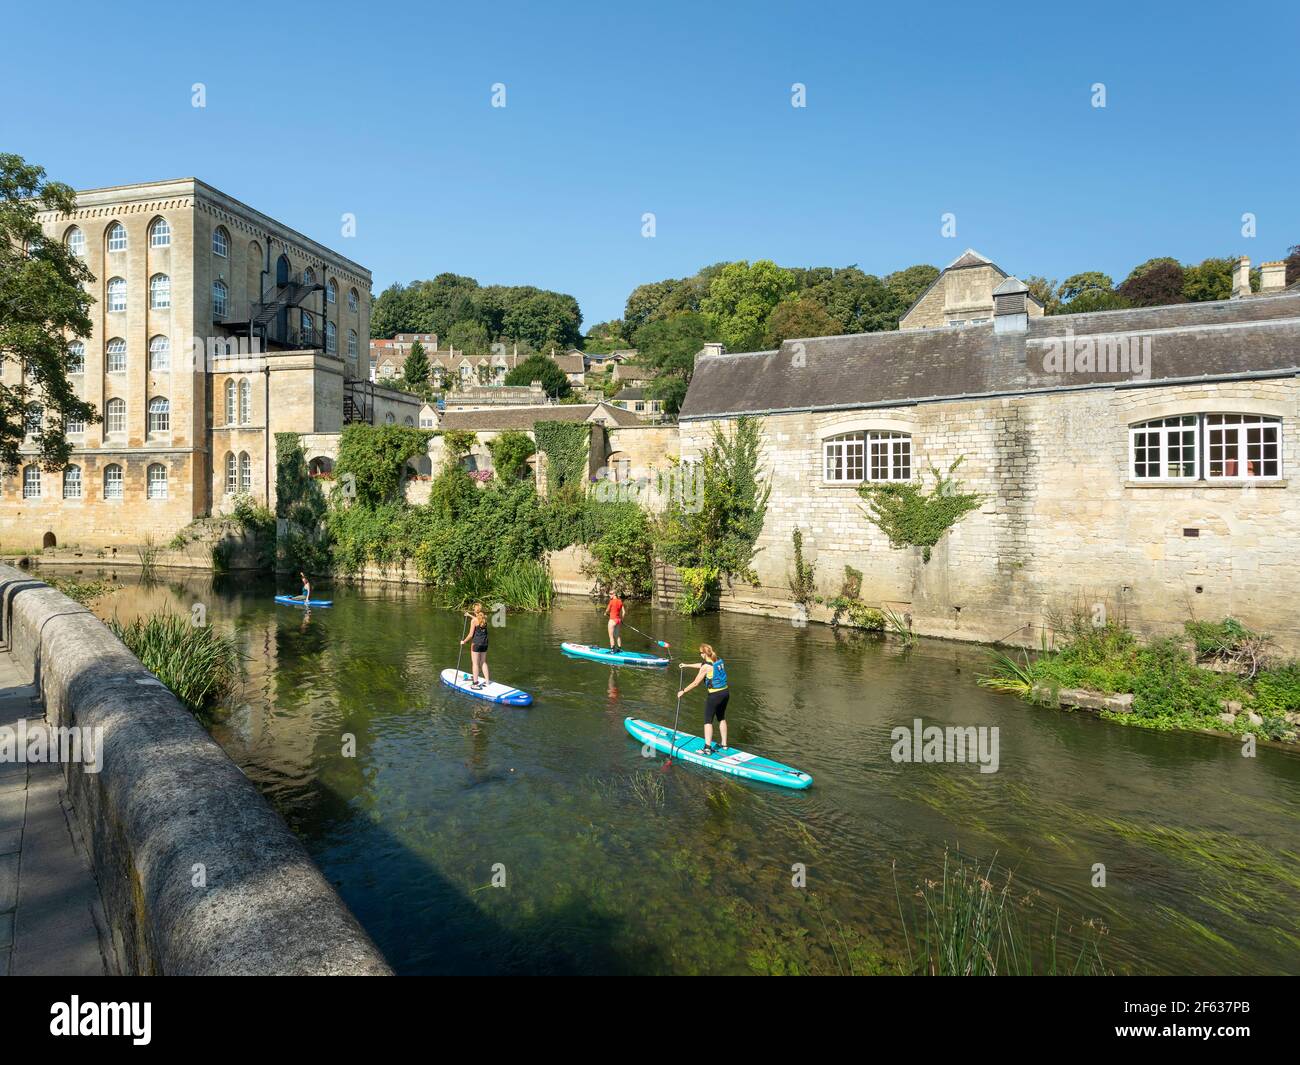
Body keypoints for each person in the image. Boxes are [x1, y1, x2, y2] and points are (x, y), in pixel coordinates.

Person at [678, 644, 729, 755]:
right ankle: (724, 744)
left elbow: (696, 682)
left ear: (704, 654)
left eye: (700, 653)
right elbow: (702, 666)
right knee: (721, 717)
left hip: (715, 695)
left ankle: (707, 748)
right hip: (725, 693)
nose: (700, 655)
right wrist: (687, 665)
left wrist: (683, 691)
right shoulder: (717, 659)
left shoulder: (706, 667)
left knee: (708, 721)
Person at [460, 602, 491, 689]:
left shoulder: (474, 621)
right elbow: (479, 619)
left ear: (475, 610)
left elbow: (470, 635)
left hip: (476, 644)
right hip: (485, 643)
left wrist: (464, 641)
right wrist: (469, 615)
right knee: (483, 662)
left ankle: (475, 683)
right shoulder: (484, 618)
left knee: (475, 663)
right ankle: (487, 681)